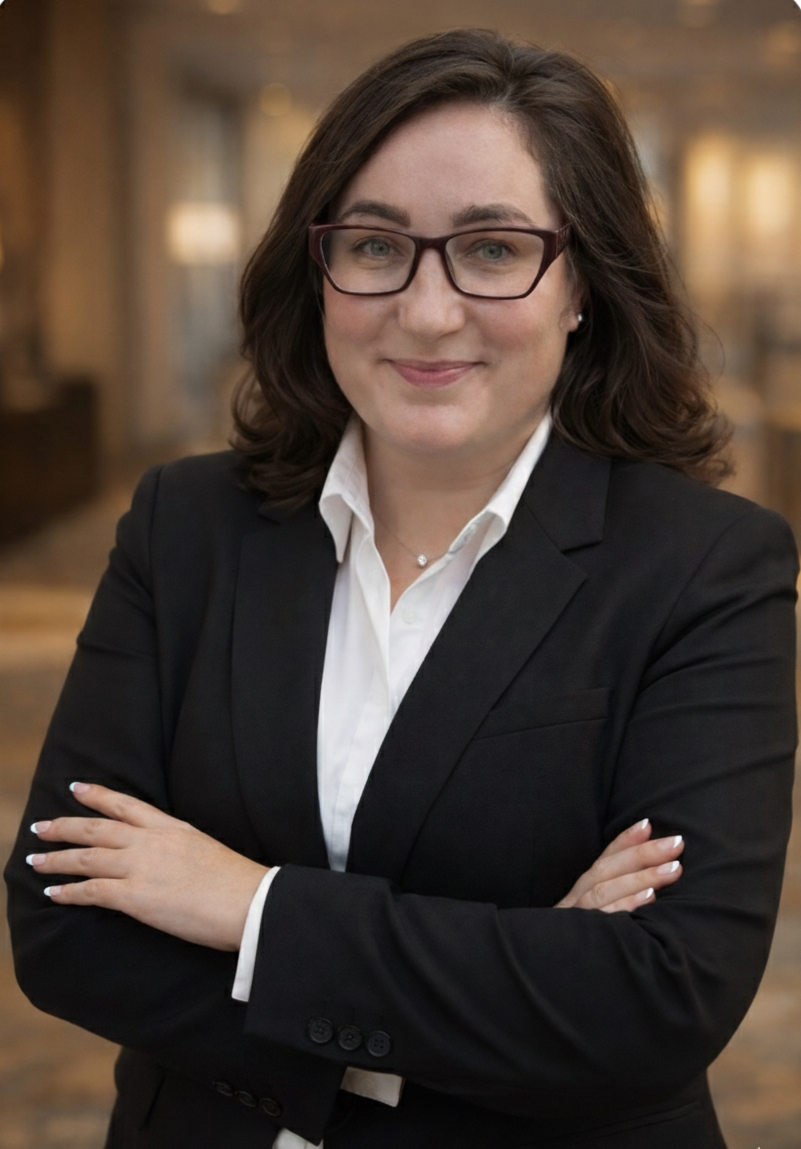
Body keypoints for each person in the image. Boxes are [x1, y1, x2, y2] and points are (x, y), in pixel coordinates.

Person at [4, 28, 797, 1149]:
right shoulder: (186, 527)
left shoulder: (706, 567)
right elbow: (63, 930)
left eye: (492, 249)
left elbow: (656, 997)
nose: (426, 311)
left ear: (582, 283)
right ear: (319, 270)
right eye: (377, 246)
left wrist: (245, 908)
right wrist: (513, 976)